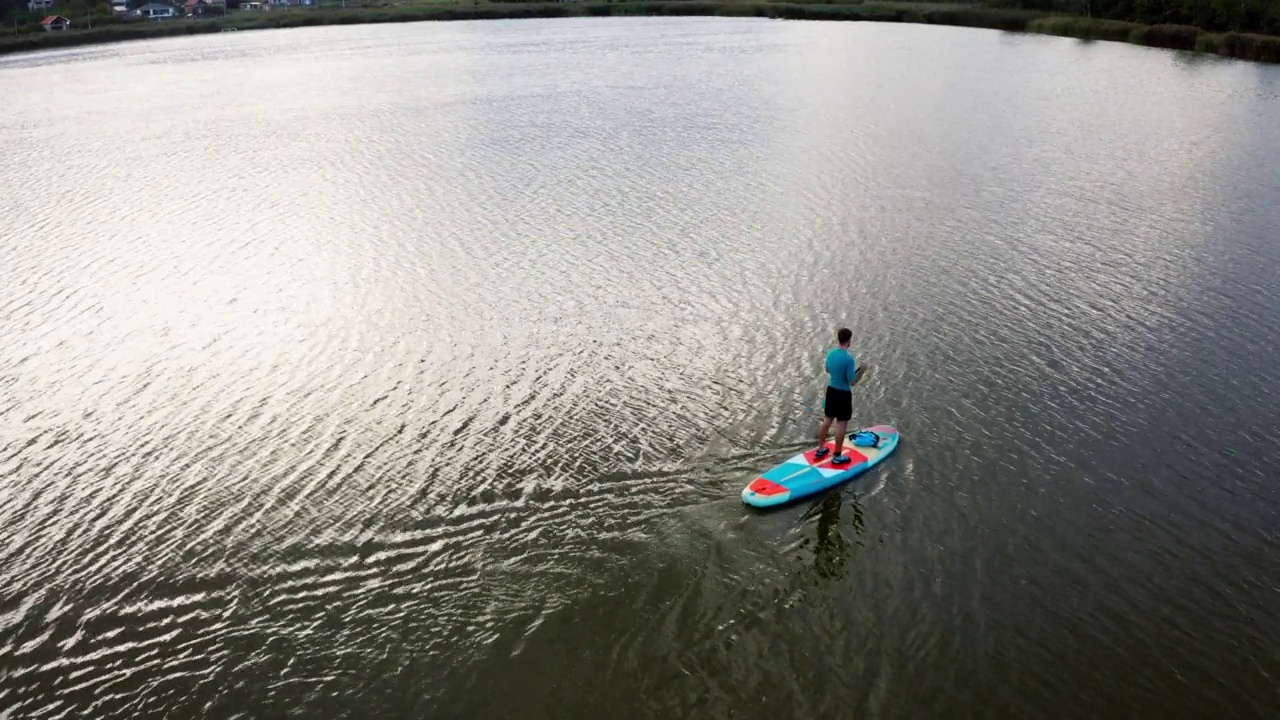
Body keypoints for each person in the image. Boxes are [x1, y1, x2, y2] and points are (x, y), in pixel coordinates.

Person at [815, 327, 858, 464]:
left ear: (838, 339)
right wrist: (861, 372)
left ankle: (821, 448)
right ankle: (837, 456)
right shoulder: (849, 360)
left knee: (827, 420)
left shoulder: (831, 354)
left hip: (831, 390)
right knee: (841, 424)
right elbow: (852, 381)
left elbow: (827, 369)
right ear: (849, 340)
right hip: (843, 394)